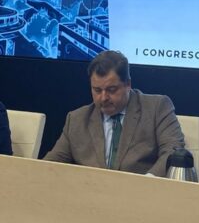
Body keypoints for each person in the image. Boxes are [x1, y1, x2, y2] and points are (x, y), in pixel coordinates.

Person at [44, 50, 184, 176]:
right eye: (97, 90)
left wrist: (147, 182)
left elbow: (172, 152)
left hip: (140, 192)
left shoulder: (156, 108)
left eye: (111, 90)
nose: (103, 98)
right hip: (89, 192)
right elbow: (50, 164)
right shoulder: (76, 119)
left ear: (128, 84)